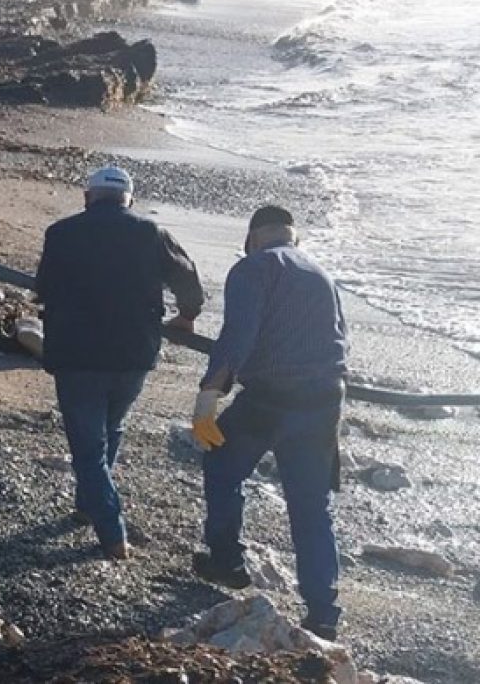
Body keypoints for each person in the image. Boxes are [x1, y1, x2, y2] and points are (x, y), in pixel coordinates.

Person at [191, 205, 348, 640]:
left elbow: (238, 334)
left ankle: (226, 559)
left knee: (221, 466)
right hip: (324, 401)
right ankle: (322, 613)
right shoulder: (322, 274)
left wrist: (210, 392)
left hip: (270, 398)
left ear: (252, 236)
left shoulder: (253, 268)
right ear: (293, 236)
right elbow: (342, 339)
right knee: (311, 506)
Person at [36, 165, 204, 560]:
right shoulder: (150, 233)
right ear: (130, 199)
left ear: (87, 197)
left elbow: (42, 287)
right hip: (133, 352)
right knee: (110, 427)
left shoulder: (61, 233)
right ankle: (86, 504)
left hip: (76, 354)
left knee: (88, 444)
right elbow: (187, 278)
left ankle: (112, 533)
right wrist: (187, 317)